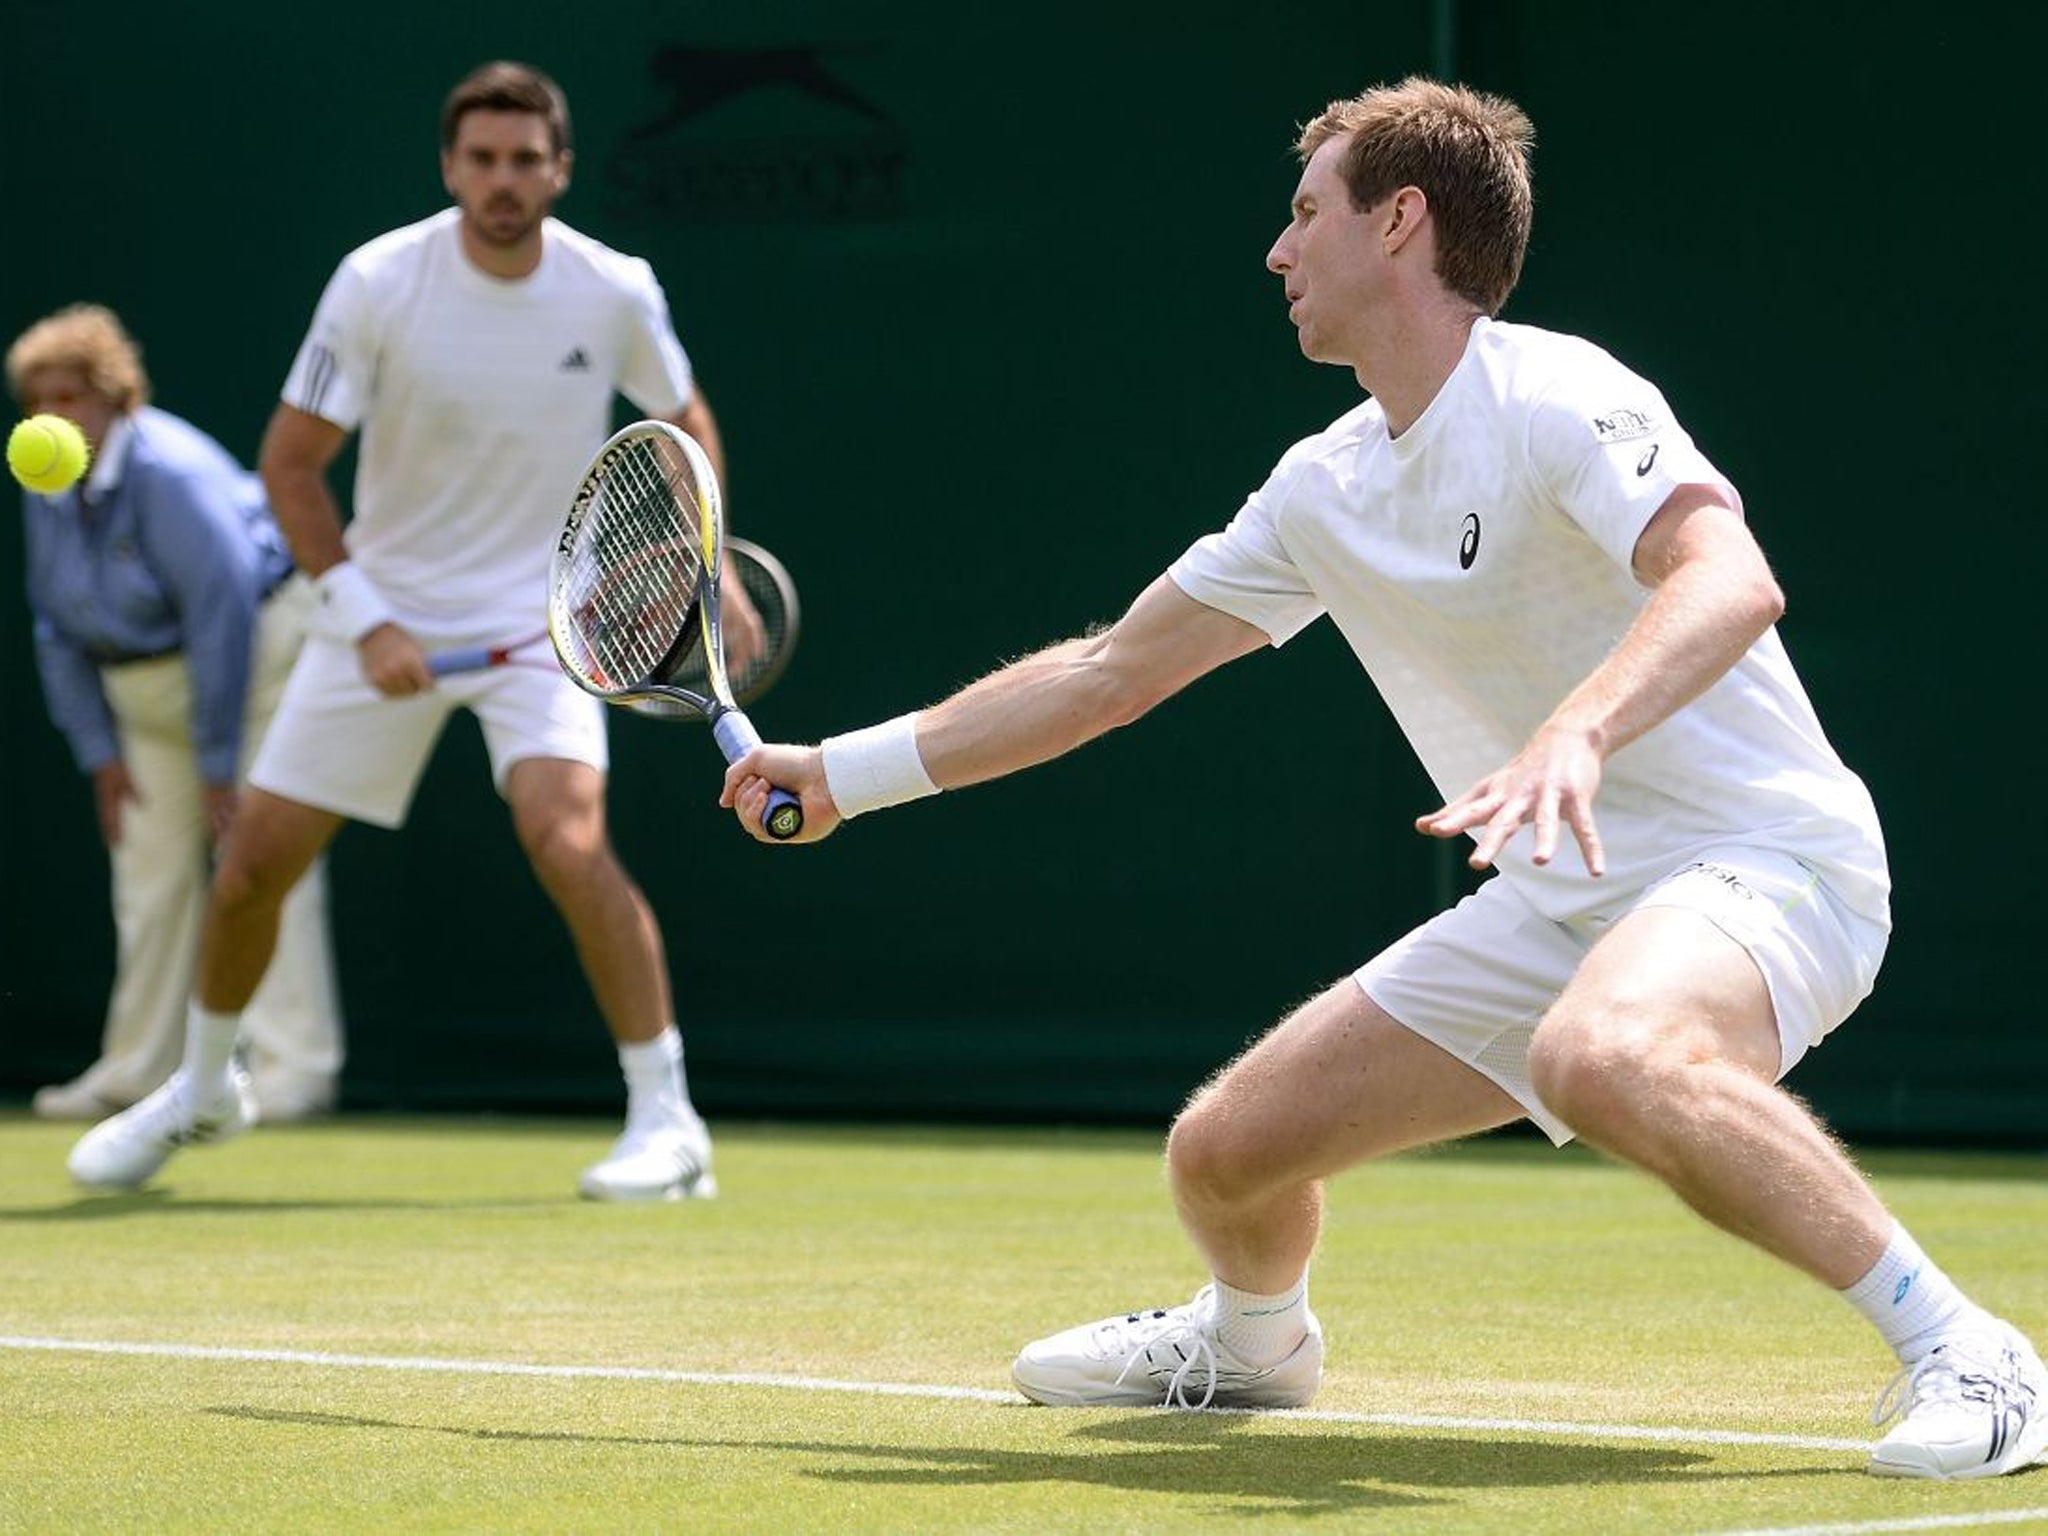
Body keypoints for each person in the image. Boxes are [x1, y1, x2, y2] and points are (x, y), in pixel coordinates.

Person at [719, 79, 2045, 1480]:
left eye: (1306, 214)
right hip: (1562, 900)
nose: (1277, 251)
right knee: (1225, 1155)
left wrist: (1578, 729)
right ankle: (1251, 1345)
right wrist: (842, 775)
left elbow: (1730, 577)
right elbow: (1110, 673)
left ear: (1400, 220)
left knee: (1604, 1056)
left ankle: (1969, 1351)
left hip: (1766, 863)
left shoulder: (1559, 394)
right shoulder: (1321, 487)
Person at [67, 61, 761, 1200]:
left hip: (545, 623)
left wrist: (703, 550)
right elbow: (291, 466)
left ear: (560, 170)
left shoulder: (614, 288)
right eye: (481, 160)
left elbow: (680, 420)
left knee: (568, 842)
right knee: (248, 874)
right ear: (450, 167)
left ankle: (666, 1120)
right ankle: (201, 1088)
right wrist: (361, 617)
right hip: (380, 611)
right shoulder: (377, 281)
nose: (502, 181)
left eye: (525, 161)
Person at [8, 304, 344, 1124]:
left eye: (72, 397)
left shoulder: (173, 475)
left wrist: (219, 766)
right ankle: (136, 1069)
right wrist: (102, 755)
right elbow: (54, 622)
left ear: (116, 398)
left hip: (255, 671)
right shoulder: (46, 477)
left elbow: (222, 616)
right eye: (38, 401)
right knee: (149, 875)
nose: (54, 416)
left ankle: (291, 1071)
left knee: (263, 861)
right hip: (143, 702)